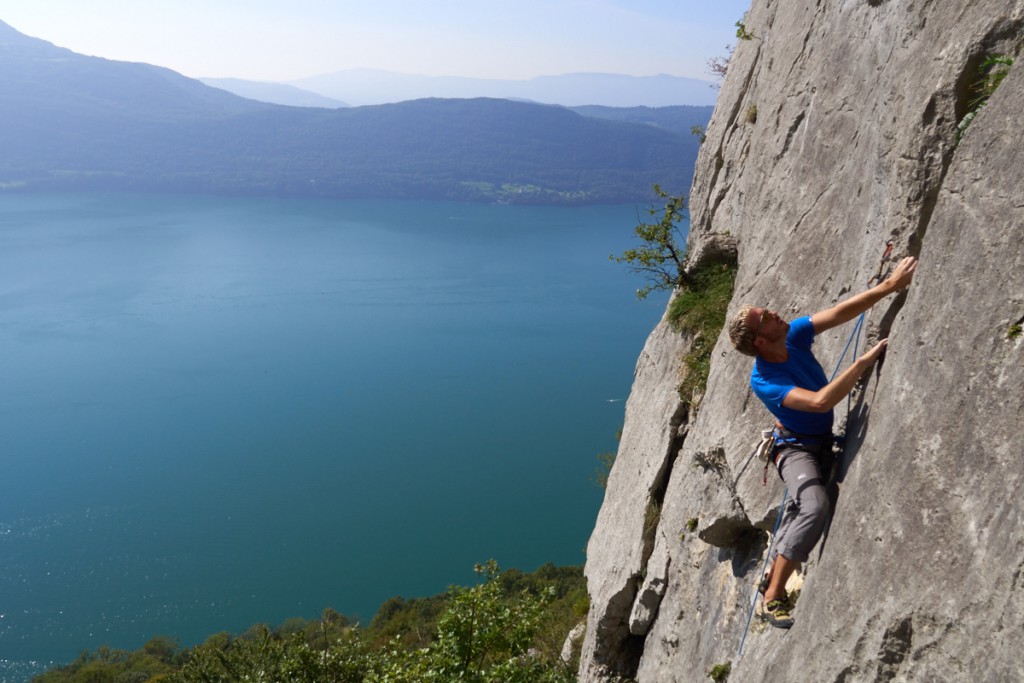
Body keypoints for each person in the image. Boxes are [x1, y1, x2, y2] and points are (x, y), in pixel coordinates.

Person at [727, 256, 918, 628]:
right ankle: (773, 596)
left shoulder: (793, 336)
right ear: (760, 340)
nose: (776, 313)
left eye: (767, 311)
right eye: (767, 317)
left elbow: (839, 313)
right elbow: (819, 402)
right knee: (814, 506)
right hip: (795, 448)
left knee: (804, 506)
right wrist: (861, 364)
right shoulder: (764, 379)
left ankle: (774, 571)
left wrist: (889, 286)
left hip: (817, 441)